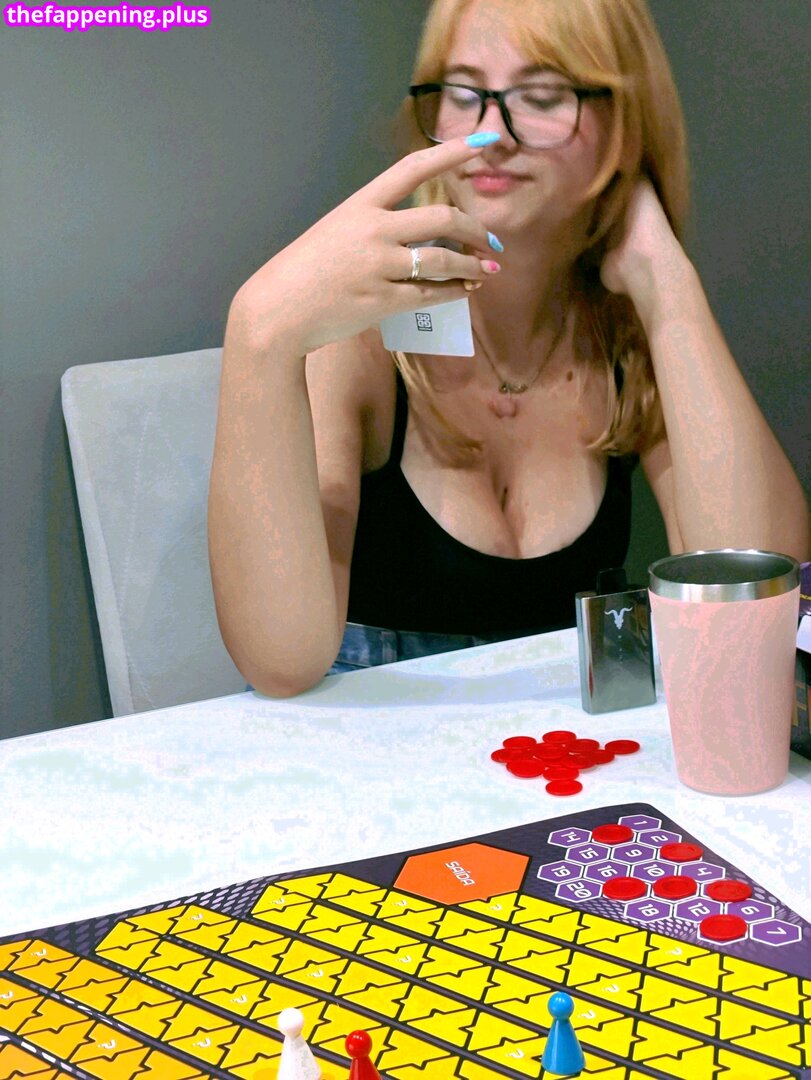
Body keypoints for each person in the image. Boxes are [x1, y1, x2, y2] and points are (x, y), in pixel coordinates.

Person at [208, 0, 809, 697]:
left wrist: (667, 285)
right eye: (463, 94)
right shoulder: (364, 335)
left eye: (542, 97)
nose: (490, 135)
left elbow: (763, 604)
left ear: (622, 127)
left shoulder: (622, 332)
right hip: (365, 751)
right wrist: (258, 332)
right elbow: (280, 662)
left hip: (567, 752)